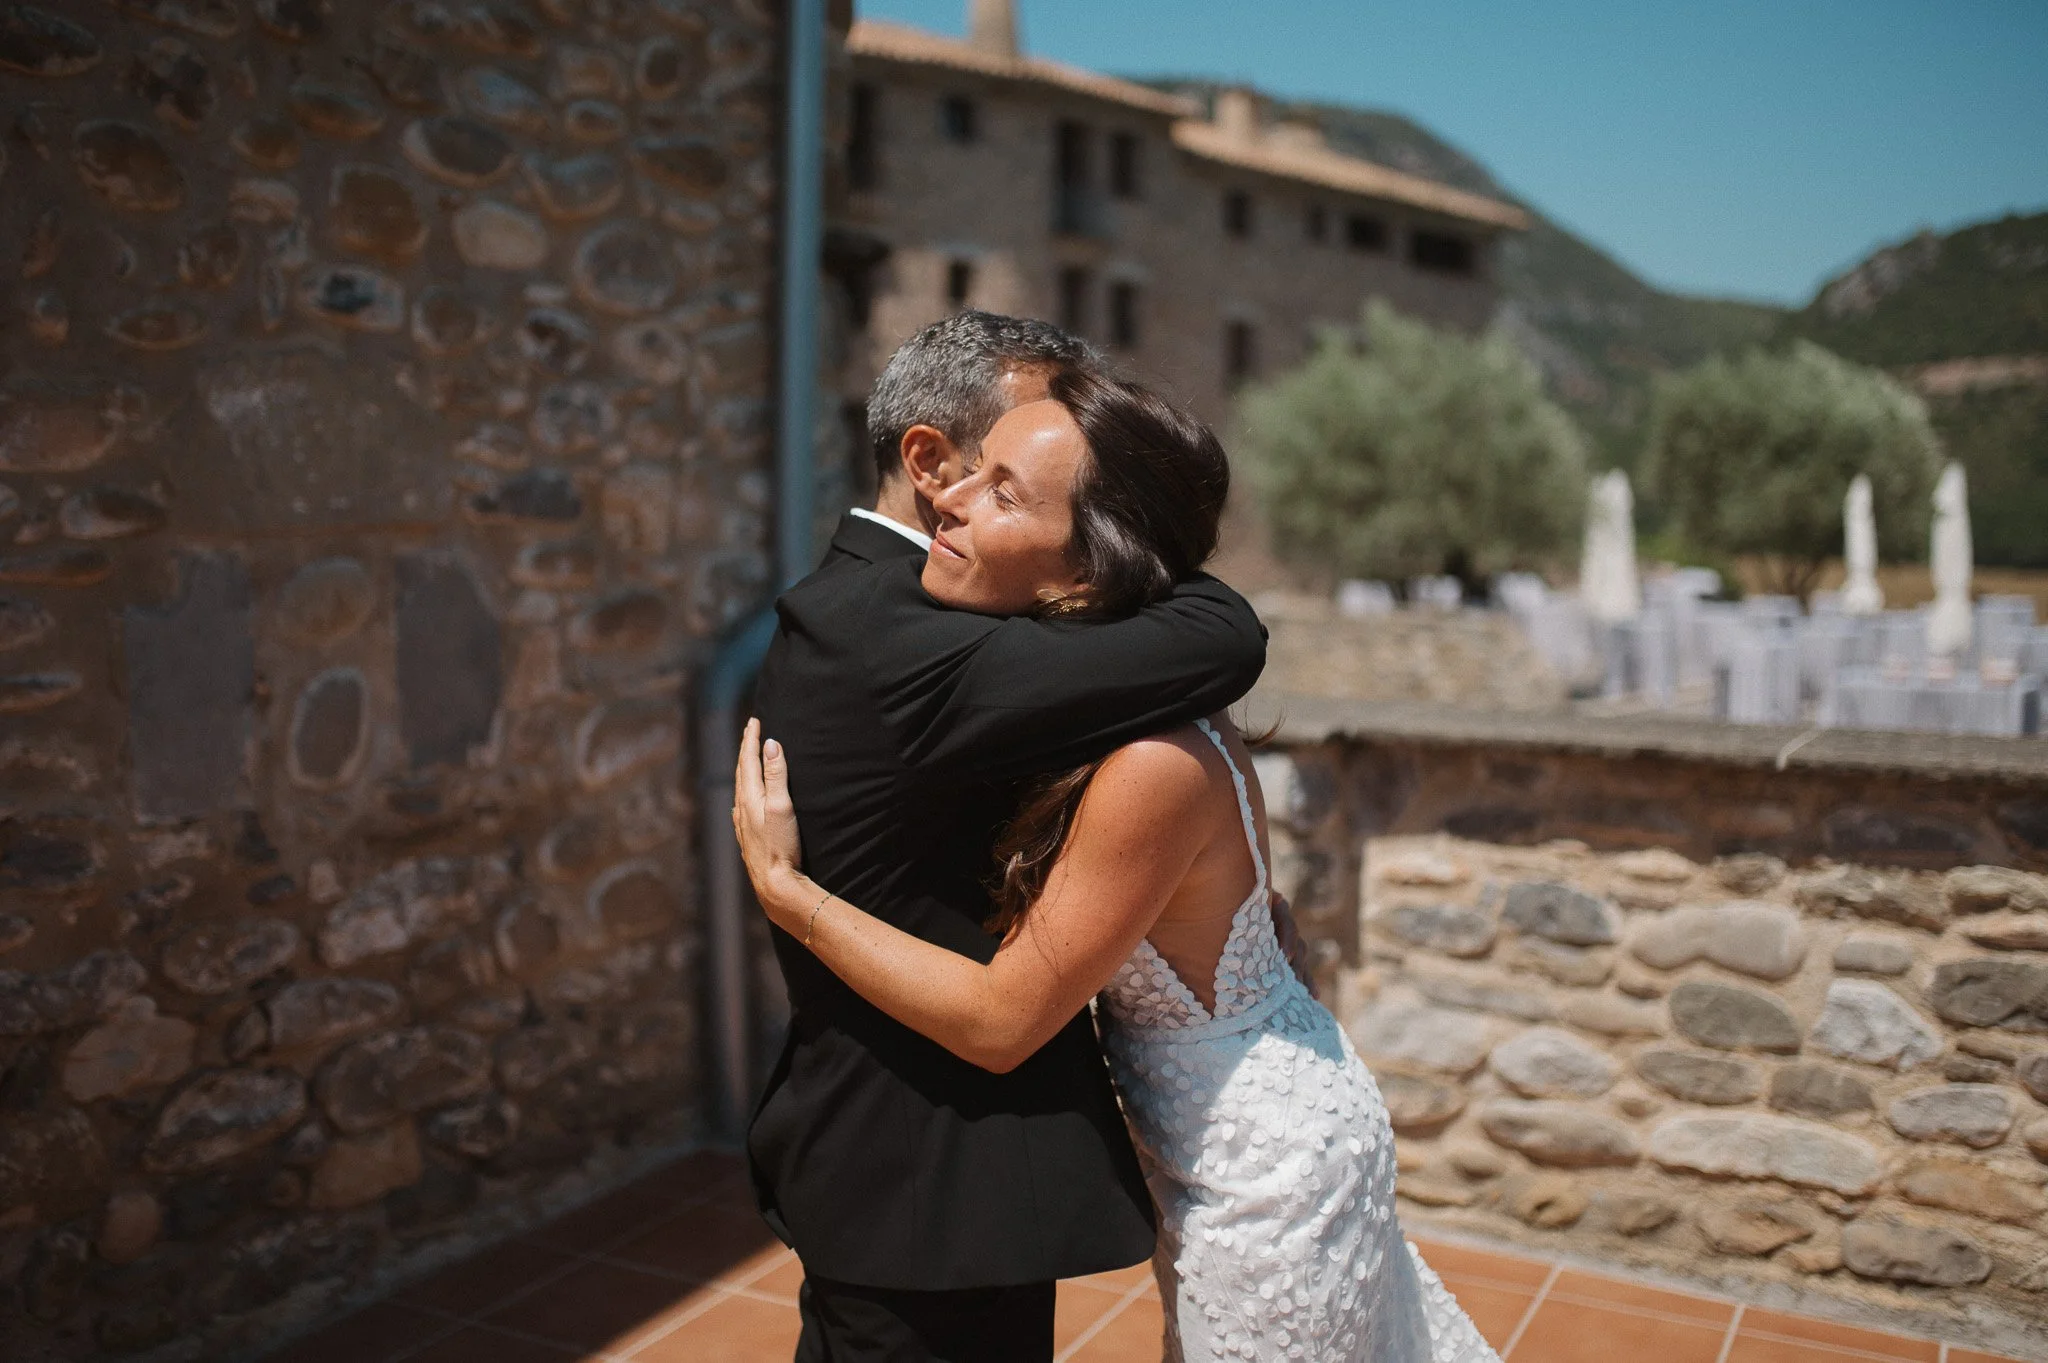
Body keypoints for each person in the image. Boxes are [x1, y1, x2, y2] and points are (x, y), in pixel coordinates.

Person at [736, 367, 1499, 1362]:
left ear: (1083, 573)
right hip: (1211, 1141)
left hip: (1258, 1168)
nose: (947, 501)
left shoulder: (1145, 761)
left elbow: (1004, 1019)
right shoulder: (1101, 711)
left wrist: (791, 894)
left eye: (1002, 490)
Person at [748, 312, 1272, 1362]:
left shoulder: (896, 610)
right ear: (929, 460)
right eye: (1001, 462)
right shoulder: (898, 638)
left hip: (918, 1175)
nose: (995, 491)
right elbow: (1223, 634)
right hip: (923, 1177)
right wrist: (1125, 541)